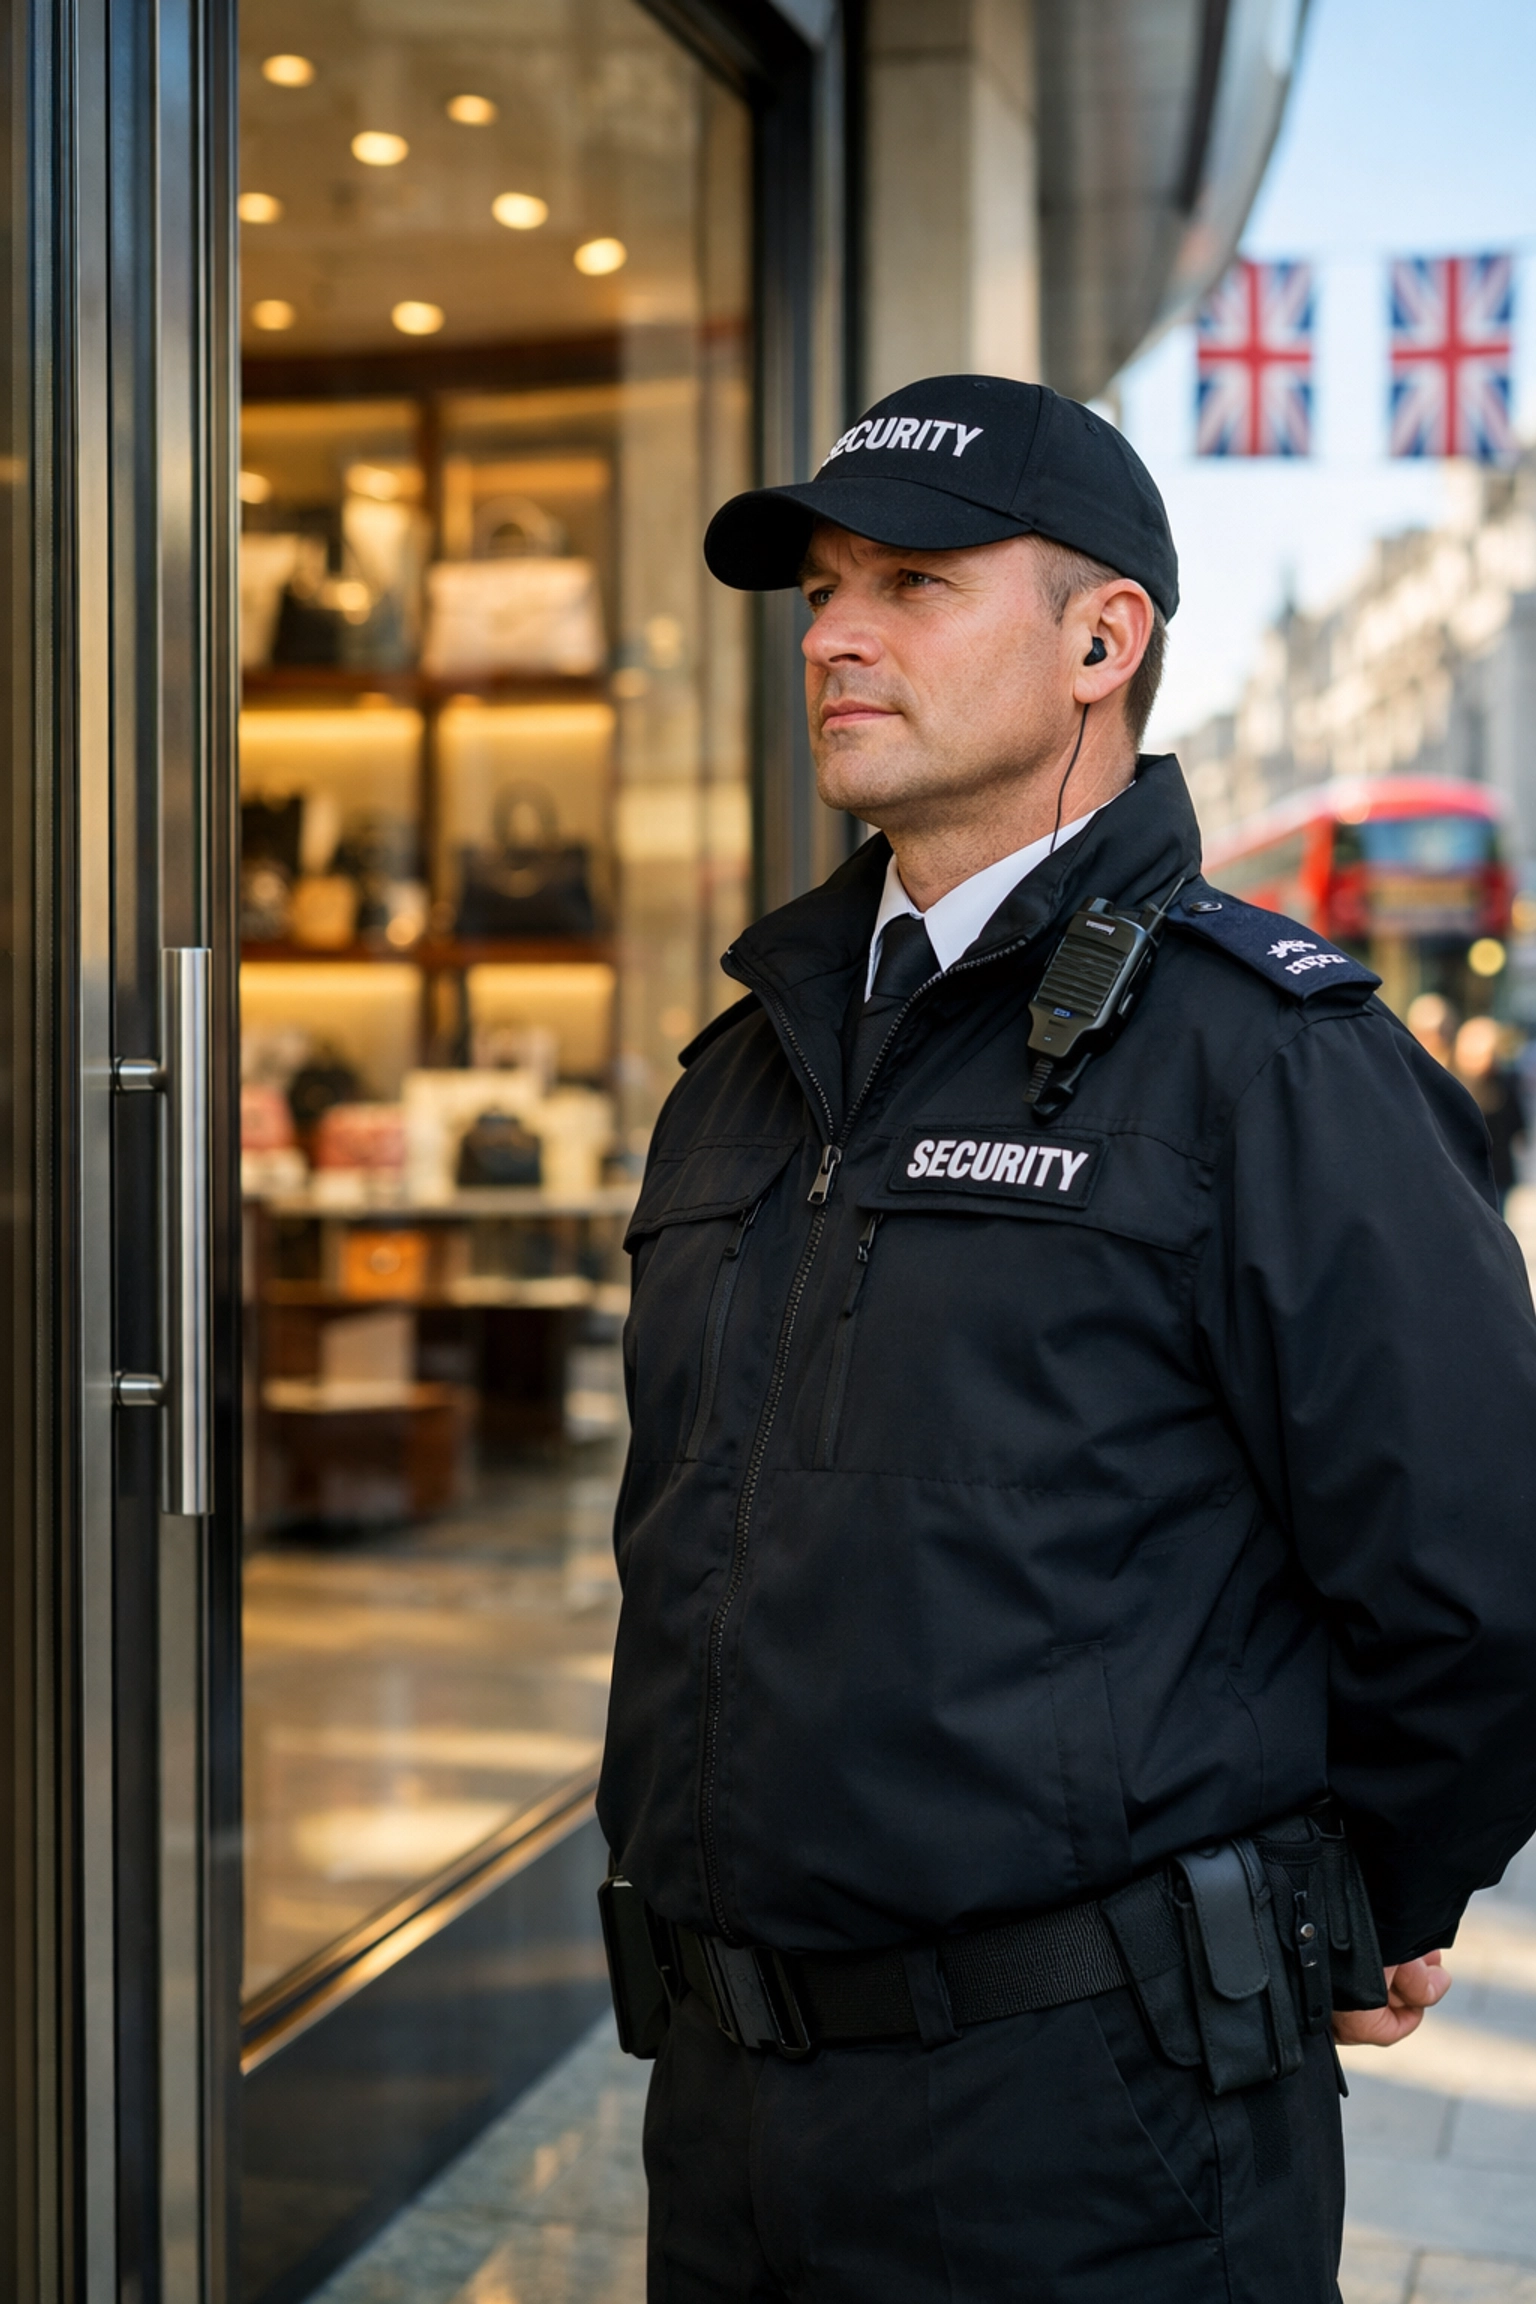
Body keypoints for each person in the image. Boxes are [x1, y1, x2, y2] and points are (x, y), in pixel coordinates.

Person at [596, 374, 1536, 2302]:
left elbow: (1474, 1570)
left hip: (1089, 2139)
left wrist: (1349, 1904)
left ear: (1102, 640)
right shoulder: (745, 1070)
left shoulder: (1264, 1061)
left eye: (916, 582)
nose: (838, 634)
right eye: (822, 591)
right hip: (726, 2123)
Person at [1454, 1013, 1525, 1204]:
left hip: (1496, 1174)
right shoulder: (1454, 1082)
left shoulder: (1505, 1084)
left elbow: (1517, 1127)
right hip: (1463, 1173)